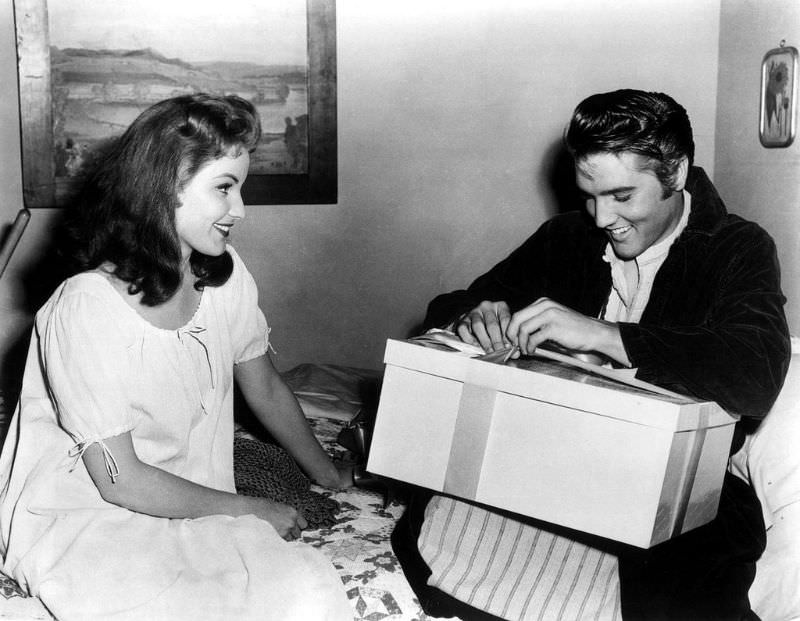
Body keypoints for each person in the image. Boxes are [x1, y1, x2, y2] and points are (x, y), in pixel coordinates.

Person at [392, 89, 791, 620]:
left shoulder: (737, 247)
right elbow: (452, 303)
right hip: (553, 462)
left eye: (623, 196)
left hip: (680, 499)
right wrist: (475, 315)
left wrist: (603, 335)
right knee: (435, 532)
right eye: (589, 195)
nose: (603, 217)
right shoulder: (567, 237)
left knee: (677, 581)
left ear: (677, 171)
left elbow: (755, 371)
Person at [0, 94, 353, 621]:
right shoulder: (85, 308)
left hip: (188, 494)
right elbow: (119, 479)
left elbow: (267, 387)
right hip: (90, 508)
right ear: (163, 186)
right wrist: (252, 509)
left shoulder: (224, 274)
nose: (241, 210)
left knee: (298, 592)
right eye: (225, 188)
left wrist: (325, 473)